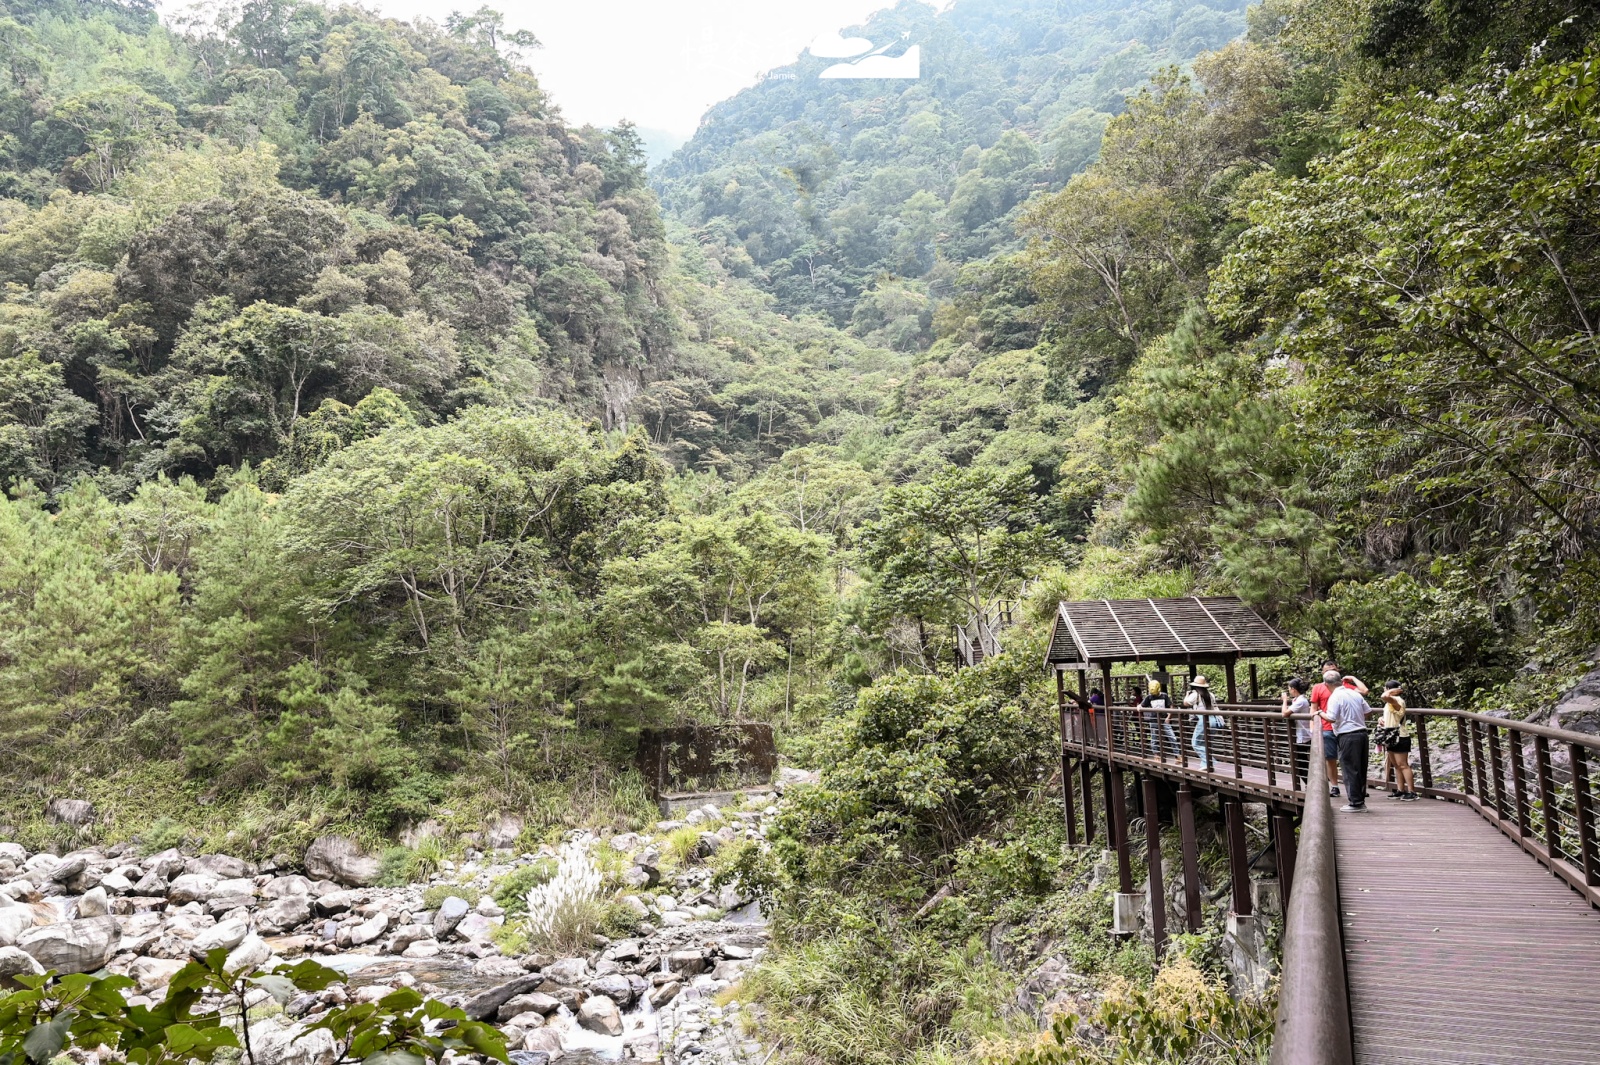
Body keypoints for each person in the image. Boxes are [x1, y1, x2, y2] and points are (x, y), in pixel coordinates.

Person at [1318, 674, 1376, 812]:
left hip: (1347, 735)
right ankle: (1359, 800)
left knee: (1350, 769)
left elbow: (1331, 718)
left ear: (1326, 685)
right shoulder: (1354, 693)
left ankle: (1356, 803)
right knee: (1360, 768)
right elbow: (1368, 712)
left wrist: (1320, 713)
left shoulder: (1335, 697)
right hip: (1362, 733)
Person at [1310, 663, 1368, 796]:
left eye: (1333, 670)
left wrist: (1353, 678)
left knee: (1351, 761)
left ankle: (1358, 792)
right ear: (1322, 673)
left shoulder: (1344, 687)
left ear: (1338, 672)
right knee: (1331, 758)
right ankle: (1335, 786)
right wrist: (1313, 728)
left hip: (1345, 728)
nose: (1330, 672)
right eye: (1327, 670)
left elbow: (1364, 691)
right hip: (1327, 728)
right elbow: (1313, 708)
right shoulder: (1318, 687)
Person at [1377, 680, 1417, 801]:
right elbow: (1391, 716)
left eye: (1385, 688)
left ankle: (1412, 791)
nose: (1384, 690)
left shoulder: (1396, 700)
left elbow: (1384, 696)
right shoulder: (1390, 702)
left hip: (1400, 736)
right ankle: (1400, 790)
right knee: (1396, 765)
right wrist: (1381, 719)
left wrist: (1392, 691)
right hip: (1390, 735)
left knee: (1403, 765)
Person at [1281, 677, 1313, 786]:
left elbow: (1285, 713)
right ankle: (1310, 784)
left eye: (1289, 688)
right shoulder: (1299, 700)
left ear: (1293, 689)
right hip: (1303, 735)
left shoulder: (1301, 701)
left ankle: (1311, 785)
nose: (1289, 691)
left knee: (1301, 762)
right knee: (1301, 762)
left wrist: (1285, 700)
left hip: (1304, 736)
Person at [1184, 676, 1221, 766]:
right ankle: (1205, 764)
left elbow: (1185, 703)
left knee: (1195, 743)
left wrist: (1186, 695)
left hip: (1203, 720)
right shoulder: (1210, 694)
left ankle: (1210, 761)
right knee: (1207, 743)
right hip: (1213, 720)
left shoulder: (1195, 695)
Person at [1141, 678, 1177, 758]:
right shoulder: (1149, 697)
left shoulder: (1164, 695)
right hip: (1154, 720)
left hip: (1164, 719)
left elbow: (1171, 706)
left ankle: (1177, 755)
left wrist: (1169, 717)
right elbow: (1141, 705)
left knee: (1172, 737)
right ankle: (1156, 755)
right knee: (1154, 738)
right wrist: (1138, 707)